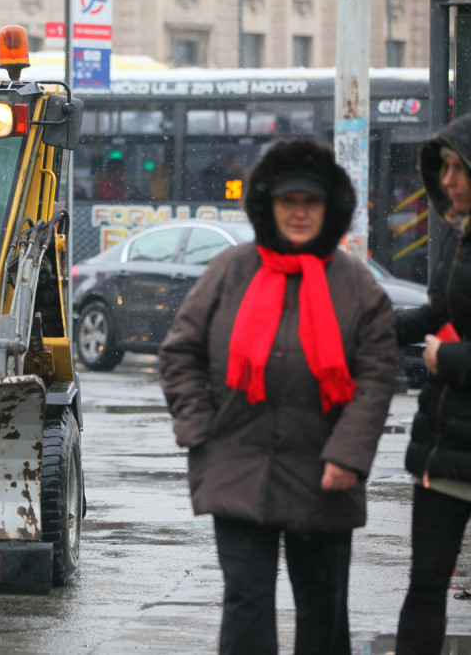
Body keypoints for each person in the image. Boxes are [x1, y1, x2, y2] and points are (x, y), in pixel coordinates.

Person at [158, 138, 397, 655]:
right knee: (245, 604)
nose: (299, 213)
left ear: (329, 208)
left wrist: (349, 456)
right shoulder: (230, 270)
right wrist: (200, 432)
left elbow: (376, 380)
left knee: (323, 609)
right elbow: (180, 354)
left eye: (310, 202)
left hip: (325, 474)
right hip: (237, 467)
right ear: (268, 207)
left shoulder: (357, 285)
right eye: (288, 201)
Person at [395, 113, 471, 655]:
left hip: (453, 429)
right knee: (426, 587)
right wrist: (370, 324)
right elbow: (440, 310)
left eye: (456, 168)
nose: (446, 180)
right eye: (442, 168)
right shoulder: (458, 237)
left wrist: (451, 359)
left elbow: (450, 339)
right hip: (445, 445)